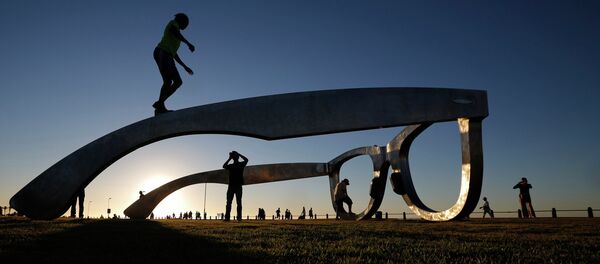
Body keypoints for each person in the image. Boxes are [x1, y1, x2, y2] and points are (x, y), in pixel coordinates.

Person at [152, 13, 195, 115]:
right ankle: (160, 106)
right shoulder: (173, 24)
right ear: (182, 21)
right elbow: (174, 31)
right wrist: (188, 43)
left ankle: (160, 104)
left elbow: (174, 54)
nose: (186, 27)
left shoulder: (176, 39)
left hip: (166, 54)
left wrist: (185, 66)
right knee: (168, 81)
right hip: (162, 52)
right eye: (186, 24)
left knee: (177, 82)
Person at [223, 151, 249, 221]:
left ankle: (227, 218)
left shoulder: (232, 166)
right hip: (237, 186)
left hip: (232, 186)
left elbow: (224, 166)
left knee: (229, 202)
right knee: (238, 202)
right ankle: (238, 218)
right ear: (237, 157)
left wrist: (229, 158)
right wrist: (239, 154)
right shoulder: (240, 165)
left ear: (233, 158)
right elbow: (246, 160)